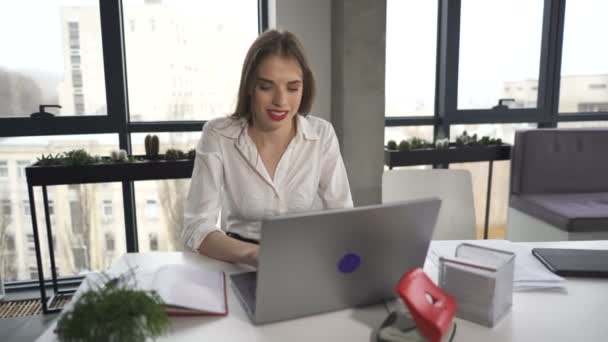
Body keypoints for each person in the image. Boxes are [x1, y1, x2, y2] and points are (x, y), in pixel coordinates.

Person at [182, 29, 353, 267]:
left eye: (293, 88)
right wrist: (255, 255)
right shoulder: (218, 135)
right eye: (266, 87)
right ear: (250, 86)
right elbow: (196, 228)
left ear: (305, 87)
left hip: (303, 262)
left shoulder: (322, 135)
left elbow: (343, 218)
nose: (281, 101)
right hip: (238, 263)